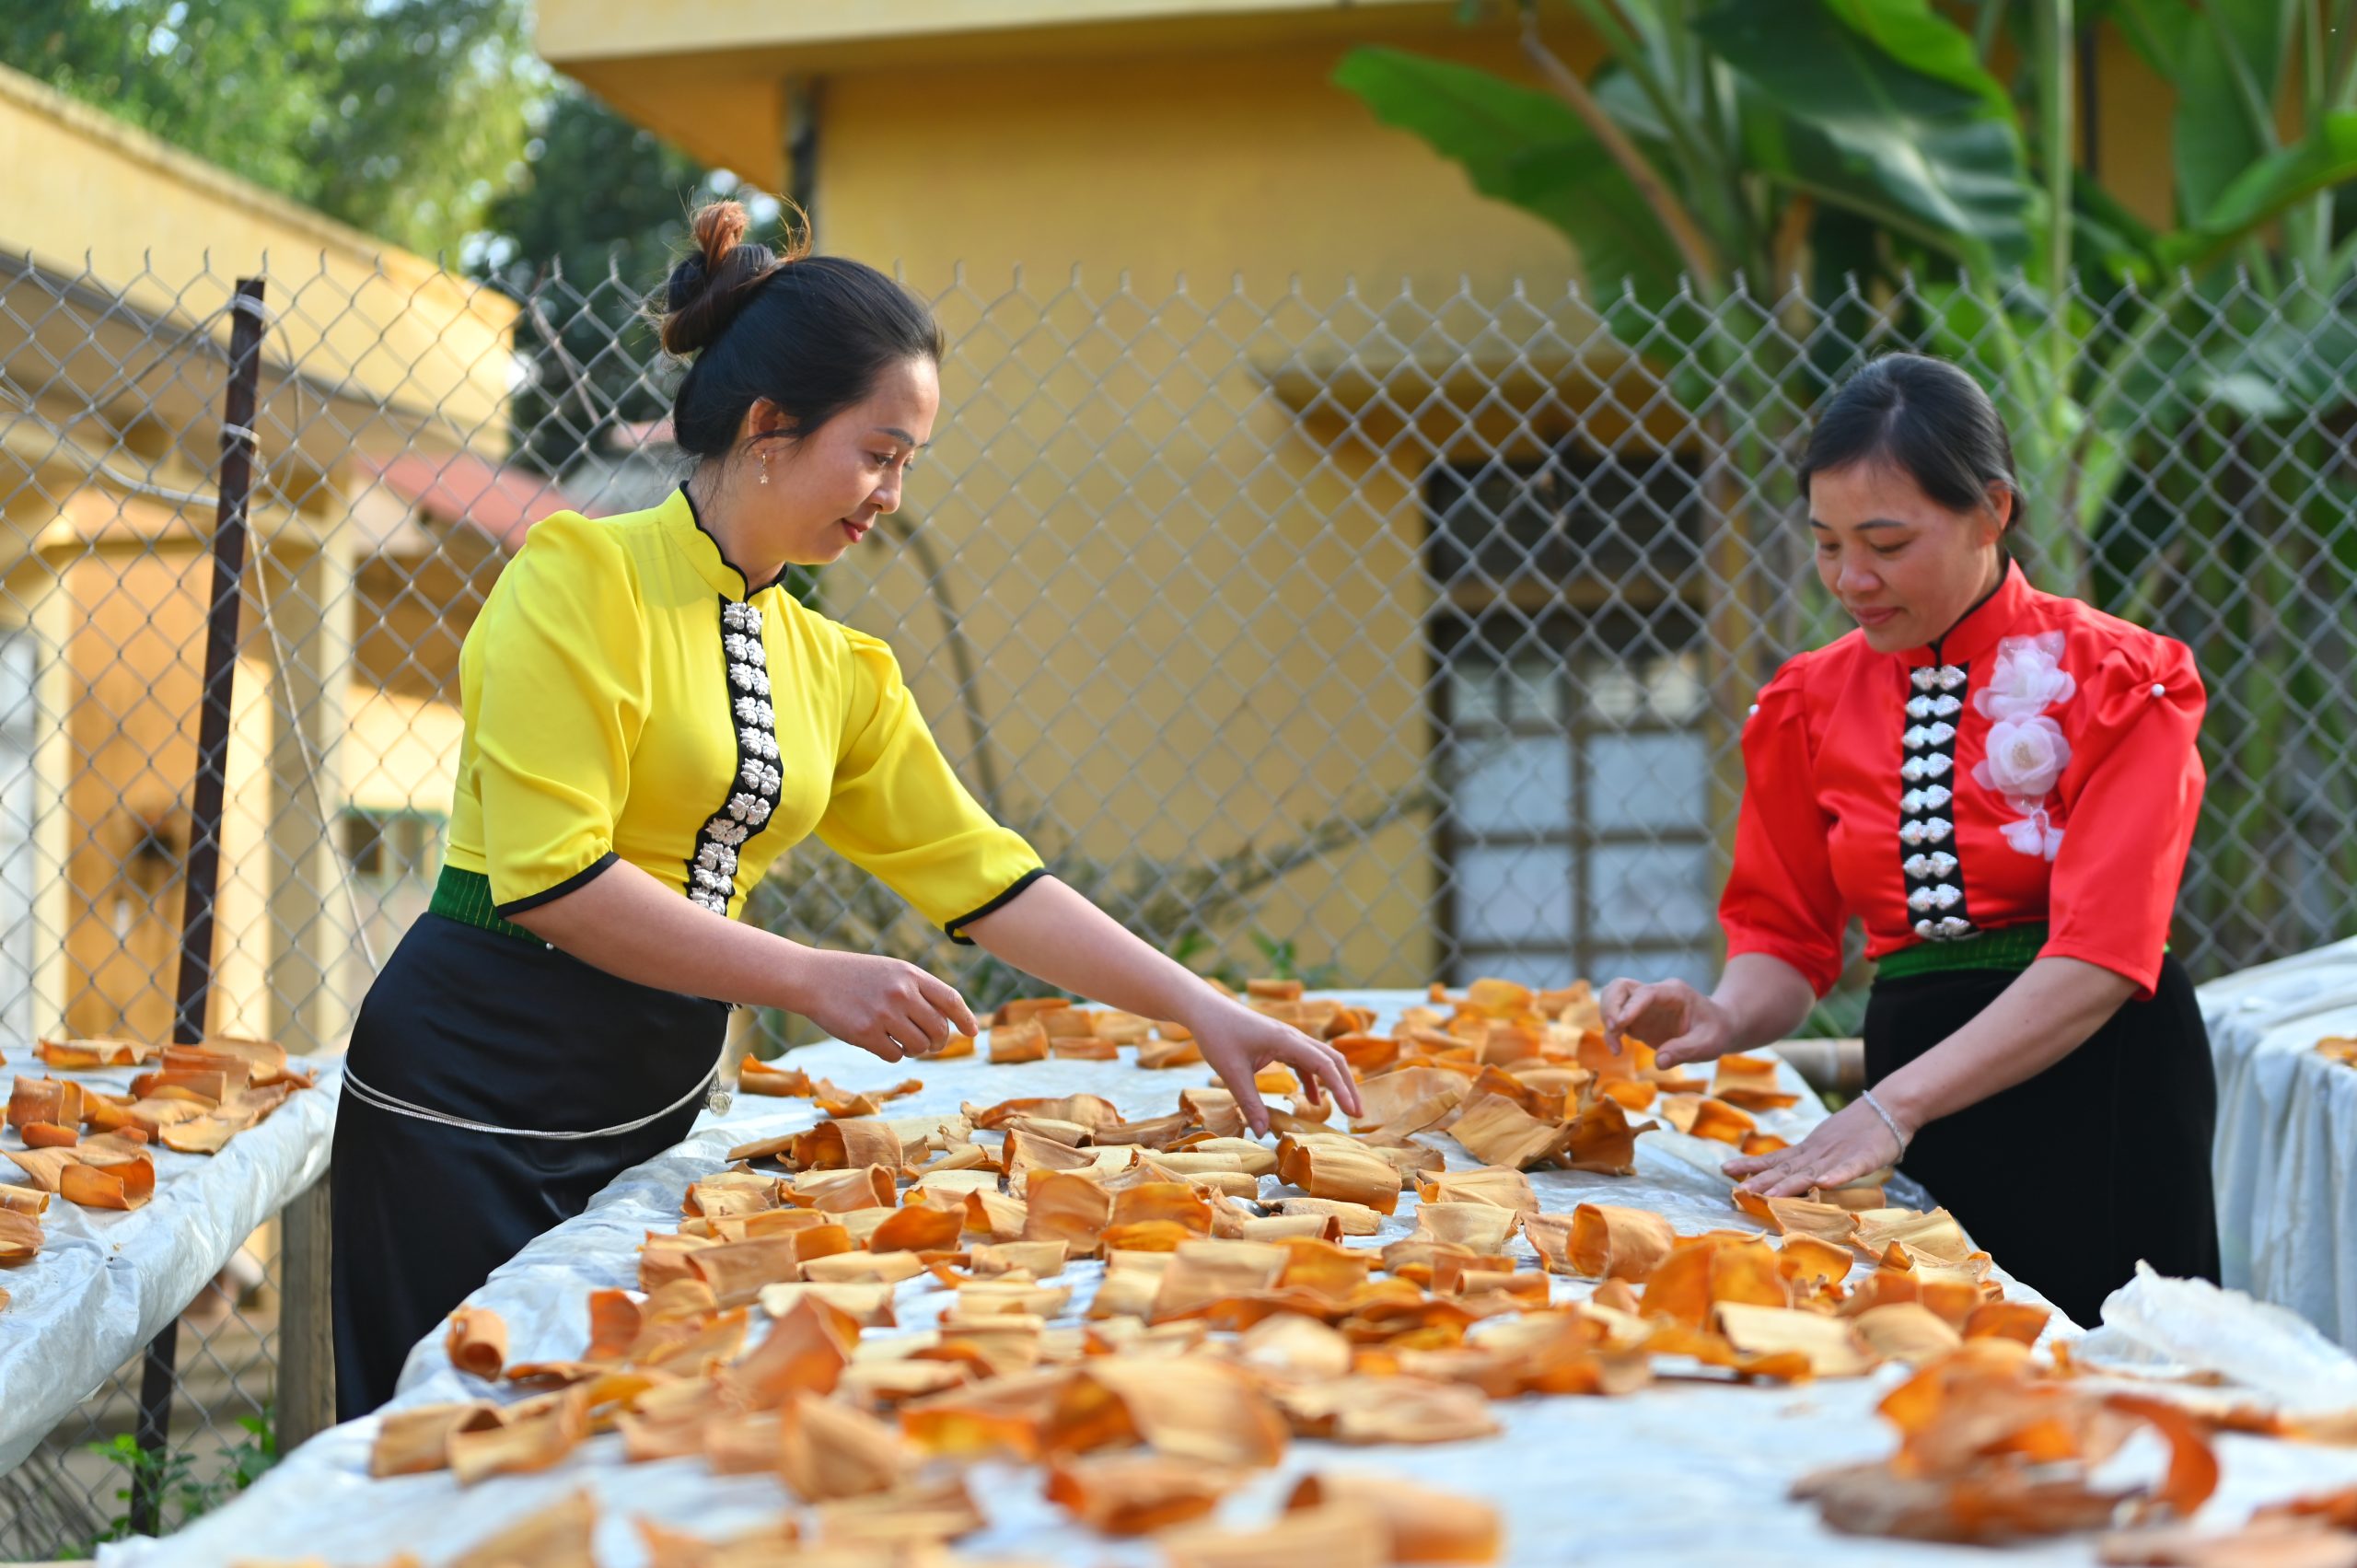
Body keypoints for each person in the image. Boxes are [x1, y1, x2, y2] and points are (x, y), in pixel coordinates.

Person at [330, 201, 1360, 1418]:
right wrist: (812, 977)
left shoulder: (837, 666)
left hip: (651, 1105)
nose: (892, 493)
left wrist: (1201, 1006)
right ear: (770, 427)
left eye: (909, 461)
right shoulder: (575, 579)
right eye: (879, 452)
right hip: (465, 1097)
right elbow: (551, 878)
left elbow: (986, 875)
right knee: (448, 1444)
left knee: (613, 1445)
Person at [1598, 353, 2219, 1328]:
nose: (1852, 579)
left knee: (2115, 1362)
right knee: (1936, 1354)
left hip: (2100, 1075)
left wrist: (1894, 1106)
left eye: (1886, 543)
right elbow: (1786, 937)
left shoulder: (2122, 679)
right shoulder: (1807, 700)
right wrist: (1720, 1013)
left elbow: (2103, 955)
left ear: (1991, 511)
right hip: (1905, 1076)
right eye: (1826, 544)